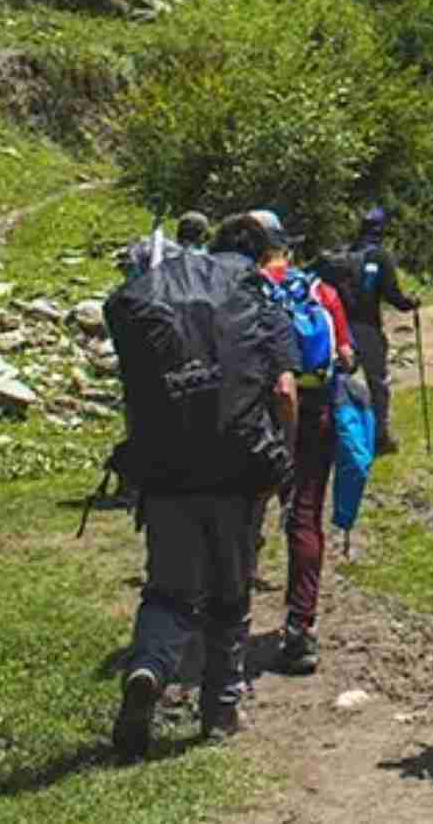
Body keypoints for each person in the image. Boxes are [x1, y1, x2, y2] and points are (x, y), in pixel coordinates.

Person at [106, 226, 298, 759]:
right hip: (239, 471)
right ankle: (220, 712)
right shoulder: (256, 299)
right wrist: (285, 458)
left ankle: (148, 668)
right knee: (230, 595)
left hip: (166, 470)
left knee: (168, 590)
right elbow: (284, 391)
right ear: (260, 256)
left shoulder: (157, 294)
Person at [218, 209, 354, 676]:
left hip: (250, 413)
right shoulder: (320, 292)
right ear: (286, 248)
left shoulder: (238, 292)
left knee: (242, 515)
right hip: (312, 416)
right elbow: (346, 356)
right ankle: (300, 629)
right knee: (304, 516)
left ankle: (227, 623)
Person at [314, 206, 420, 456]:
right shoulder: (380, 257)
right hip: (368, 327)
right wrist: (411, 304)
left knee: (337, 380)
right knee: (377, 382)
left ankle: (334, 433)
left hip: (339, 328)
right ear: (382, 230)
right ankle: (379, 437)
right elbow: (392, 295)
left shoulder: (344, 254)